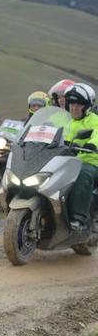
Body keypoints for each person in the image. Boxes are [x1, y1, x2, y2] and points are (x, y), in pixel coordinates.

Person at [63, 83, 98, 231]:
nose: (74, 107)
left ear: (86, 106)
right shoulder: (65, 121)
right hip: (66, 161)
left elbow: (97, 135)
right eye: (71, 103)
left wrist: (92, 145)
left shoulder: (94, 120)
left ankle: (79, 218)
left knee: (82, 173)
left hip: (91, 162)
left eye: (78, 104)